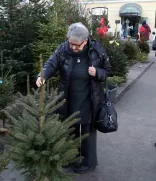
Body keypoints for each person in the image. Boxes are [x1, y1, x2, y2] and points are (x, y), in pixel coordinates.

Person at [36, 22, 111, 173]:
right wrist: (42, 75)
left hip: (90, 97)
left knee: (87, 131)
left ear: (86, 40)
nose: (74, 48)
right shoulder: (63, 49)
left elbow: (108, 70)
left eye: (78, 45)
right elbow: (51, 63)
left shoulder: (96, 49)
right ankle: (70, 157)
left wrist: (97, 72)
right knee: (69, 128)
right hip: (68, 96)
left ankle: (89, 162)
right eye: (72, 44)